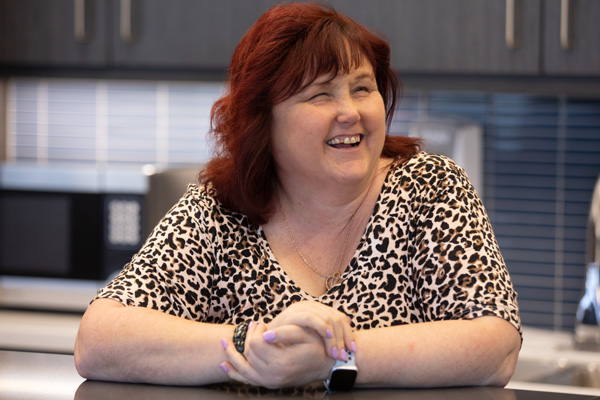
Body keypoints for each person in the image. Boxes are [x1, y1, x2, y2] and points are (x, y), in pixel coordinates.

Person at [75, 2, 521, 390]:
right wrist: (252, 343)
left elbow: (494, 346)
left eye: (363, 88)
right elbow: (98, 341)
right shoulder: (220, 209)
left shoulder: (431, 189)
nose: (350, 112)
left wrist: (336, 358)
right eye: (319, 95)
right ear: (263, 122)